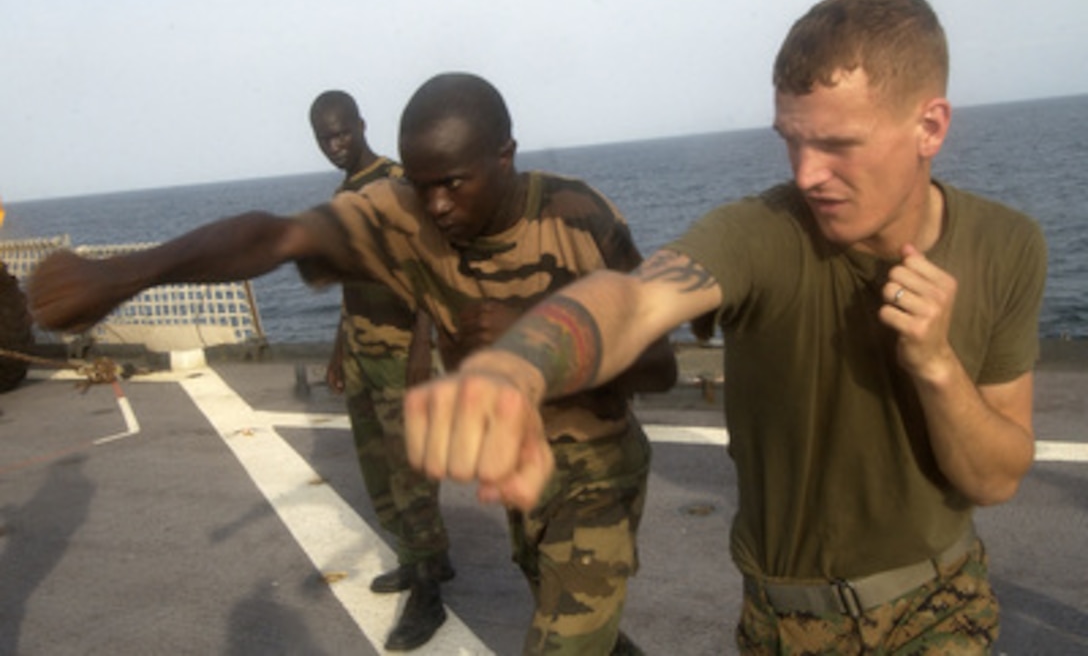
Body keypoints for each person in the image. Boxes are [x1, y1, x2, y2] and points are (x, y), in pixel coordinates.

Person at [401, 0, 1048, 653]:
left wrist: (937, 366)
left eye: (837, 143)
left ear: (930, 127)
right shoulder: (763, 233)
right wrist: (518, 364)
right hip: (785, 620)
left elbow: (994, 479)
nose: (806, 175)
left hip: (939, 608)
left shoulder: (1006, 245)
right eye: (791, 142)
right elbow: (636, 300)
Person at [29, 72, 677, 655]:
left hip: (594, 473)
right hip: (514, 472)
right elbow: (276, 237)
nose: (438, 207)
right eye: (422, 188)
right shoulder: (401, 211)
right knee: (575, 620)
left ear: (504, 157)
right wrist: (125, 275)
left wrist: (545, 335)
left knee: (563, 641)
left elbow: (660, 366)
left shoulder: (579, 217)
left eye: (454, 183)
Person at [308, 90, 452, 650]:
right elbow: (353, 282)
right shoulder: (344, 194)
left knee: (412, 473)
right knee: (378, 471)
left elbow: (434, 269)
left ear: (362, 125)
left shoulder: (397, 183)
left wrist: (422, 347)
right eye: (325, 137)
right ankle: (419, 561)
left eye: (342, 132)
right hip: (364, 353)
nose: (335, 144)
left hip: (400, 353)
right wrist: (339, 349)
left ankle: (430, 595)